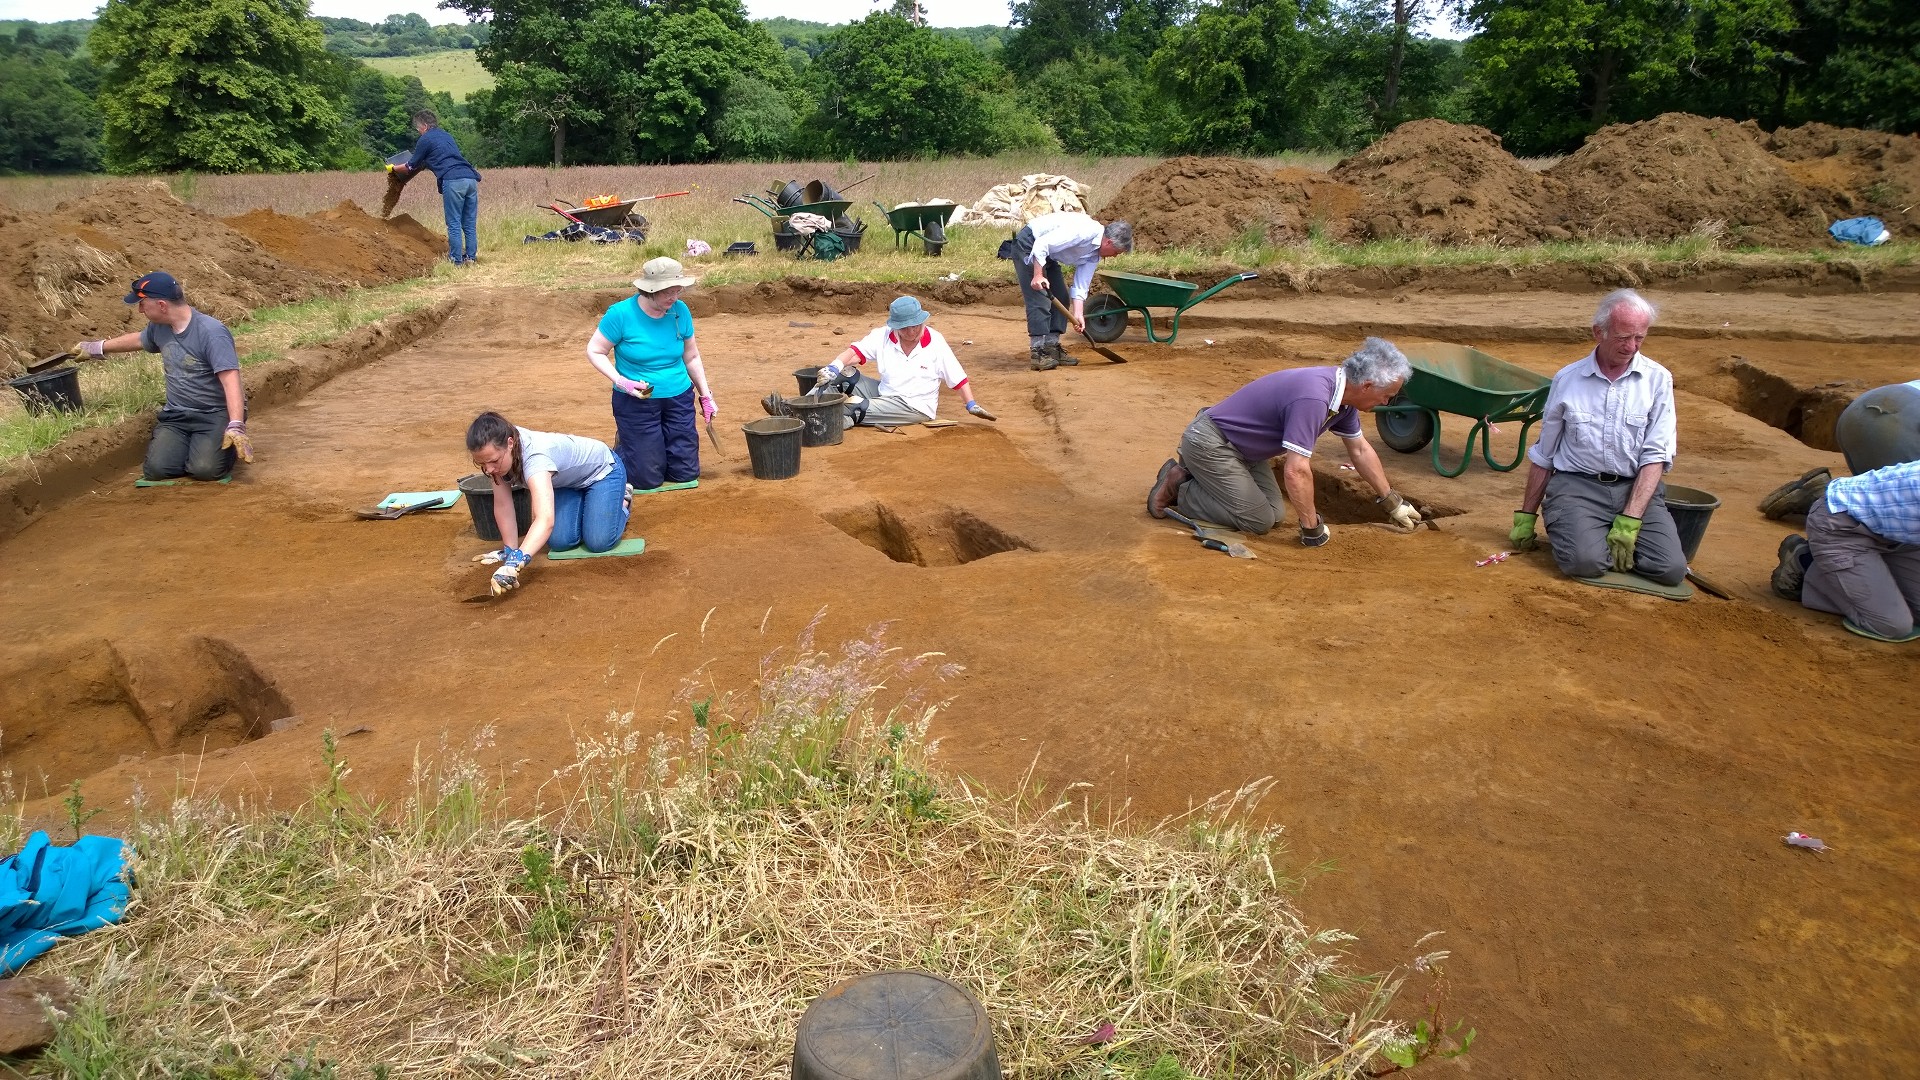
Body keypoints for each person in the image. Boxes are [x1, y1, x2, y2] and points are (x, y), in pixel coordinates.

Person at [1146, 338, 1424, 543]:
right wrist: (1312, 527)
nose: (1386, 402)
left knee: (1276, 514)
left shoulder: (1345, 403)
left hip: (1244, 452)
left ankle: (1199, 480)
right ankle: (1181, 485)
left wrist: (1392, 502)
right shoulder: (1314, 396)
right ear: (1366, 386)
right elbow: (1296, 469)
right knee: (1258, 521)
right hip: (1211, 443)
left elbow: (1361, 450)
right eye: (1387, 395)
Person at [1508, 289, 1687, 585]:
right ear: (1598, 332)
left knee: (1669, 570)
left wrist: (1631, 519)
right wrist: (1526, 516)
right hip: (1577, 486)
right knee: (1585, 562)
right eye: (1623, 337)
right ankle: (1580, 528)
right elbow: (1545, 454)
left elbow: (1656, 454)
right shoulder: (1568, 379)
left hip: (1634, 488)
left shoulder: (1659, 379)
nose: (1631, 347)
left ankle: (1596, 532)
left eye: (1639, 338)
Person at [74, 271, 253, 482]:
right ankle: (195, 446)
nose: (139, 310)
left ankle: (220, 451)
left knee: (205, 470)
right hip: (177, 416)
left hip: (214, 414)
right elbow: (139, 340)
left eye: (142, 303)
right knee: (157, 470)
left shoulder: (212, 333)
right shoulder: (159, 328)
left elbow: (231, 380)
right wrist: (96, 348)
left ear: (161, 305)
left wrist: (235, 424)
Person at [586, 258, 717, 492]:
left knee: (685, 474)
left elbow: (692, 357)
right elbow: (595, 351)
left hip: (678, 395)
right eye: (667, 292)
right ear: (649, 289)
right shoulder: (620, 314)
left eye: (677, 290)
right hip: (637, 399)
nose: (674, 298)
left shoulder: (680, 311)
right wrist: (621, 381)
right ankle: (626, 446)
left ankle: (647, 446)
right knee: (646, 479)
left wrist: (706, 396)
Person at [465, 411, 630, 596]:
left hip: (603, 472)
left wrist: (515, 563)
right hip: (567, 483)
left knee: (598, 541)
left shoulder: (536, 458)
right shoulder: (499, 451)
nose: (489, 469)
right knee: (560, 542)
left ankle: (622, 501)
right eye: (482, 464)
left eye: (493, 461)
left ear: (510, 443)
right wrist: (510, 551)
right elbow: (503, 505)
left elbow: (545, 519)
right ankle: (593, 503)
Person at [1772, 460, 1920, 641]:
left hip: (1894, 536)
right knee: (1892, 625)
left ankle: (1875, 577)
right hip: (1840, 526)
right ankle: (1805, 562)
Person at [791, 296, 996, 427]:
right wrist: (834, 366)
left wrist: (971, 404)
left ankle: (813, 419)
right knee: (843, 375)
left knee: (854, 406)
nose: (912, 332)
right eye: (905, 328)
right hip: (885, 391)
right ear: (894, 326)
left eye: (916, 326)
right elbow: (854, 353)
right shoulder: (883, 335)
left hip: (913, 406)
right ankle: (796, 410)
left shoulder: (936, 343)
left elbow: (958, 378)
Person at [1012, 211, 1132, 371]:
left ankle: (1051, 347)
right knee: (1039, 298)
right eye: (1117, 252)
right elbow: (1042, 244)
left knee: (1061, 296)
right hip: (1030, 243)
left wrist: (1078, 313)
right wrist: (1038, 275)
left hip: (1048, 254)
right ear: (1109, 242)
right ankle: (1037, 353)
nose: (1115, 256)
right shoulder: (1084, 232)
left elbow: (1082, 283)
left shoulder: (1096, 253)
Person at [391, 109, 481, 265]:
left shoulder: (425, 139)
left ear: (424, 126)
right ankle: (471, 258)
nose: (419, 132)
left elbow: (410, 166)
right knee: (469, 222)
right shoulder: (446, 136)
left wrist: (392, 168)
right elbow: (440, 158)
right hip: (470, 178)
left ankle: (456, 260)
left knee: (453, 222)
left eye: (418, 129)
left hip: (453, 180)